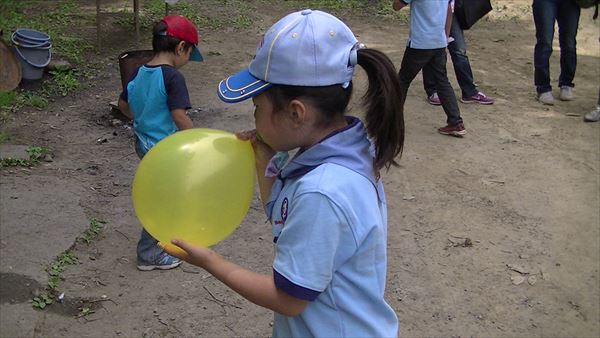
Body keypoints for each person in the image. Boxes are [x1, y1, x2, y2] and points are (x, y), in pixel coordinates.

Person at [162, 9, 403, 337]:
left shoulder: (323, 191)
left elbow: (288, 300)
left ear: (295, 113)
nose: (255, 117)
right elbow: (285, 215)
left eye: (257, 107)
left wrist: (210, 262)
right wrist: (263, 158)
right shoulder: (343, 149)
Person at [117, 15, 203, 271]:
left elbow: (123, 105)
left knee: (168, 193)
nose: (187, 61)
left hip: (143, 143)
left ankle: (170, 236)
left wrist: (143, 117)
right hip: (163, 149)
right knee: (165, 199)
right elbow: (179, 115)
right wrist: (198, 141)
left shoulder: (138, 72)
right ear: (180, 48)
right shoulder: (172, 77)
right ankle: (148, 253)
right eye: (189, 54)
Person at [394, 0, 467, 136]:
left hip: (419, 43)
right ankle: (456, 122)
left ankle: (392, 122)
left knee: (402, 81)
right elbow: (449, 11)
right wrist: (445, 36)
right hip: (438, 41)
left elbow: (396, 6)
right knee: (442, 81)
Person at [422, 10, 495, 106]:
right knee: (431, 50)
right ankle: (433, 90)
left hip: (451, 11)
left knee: (459, 51)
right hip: (432, 9)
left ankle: (469, 92)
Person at [532, 0, 581, 105]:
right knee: (545, 43)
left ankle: (566, 83)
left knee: (569, 44)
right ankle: (543, 88)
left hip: (570, 3)